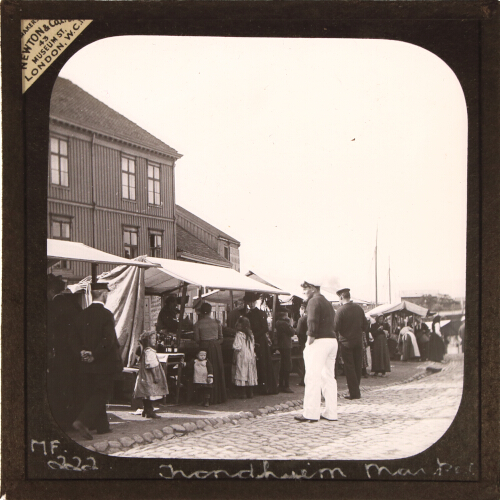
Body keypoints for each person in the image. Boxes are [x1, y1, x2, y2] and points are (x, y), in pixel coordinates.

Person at [70, 282, 122, 440]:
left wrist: (82, 352)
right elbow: (109, 340)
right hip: (103, 363)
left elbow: (73, 339)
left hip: (85, 364)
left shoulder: (81, 314)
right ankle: (82, 421)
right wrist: (95, 354)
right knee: (101, 393)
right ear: (104, 294)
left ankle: (102, 427)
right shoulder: (106, 314)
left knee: (94, 392)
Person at [294, 280, 337, 423]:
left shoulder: (313, 302)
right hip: (332, 341)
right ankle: (331, 412)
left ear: (312, 288)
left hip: (319, 341)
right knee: (329, 378)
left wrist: (309, 341)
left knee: (312, 377)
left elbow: (312, 322)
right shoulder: (327, 302)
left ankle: (311, 413)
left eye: (304, 290)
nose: (303, 293)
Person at [47, 274, 84, 430]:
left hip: (59, 354)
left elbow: (50, 332)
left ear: (50, 290)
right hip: (75, 354)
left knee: (59, 387)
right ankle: (73, 419)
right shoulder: (74, 304)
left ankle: (62, 421)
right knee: (73, 386)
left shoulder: (52, 307)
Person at [333, 287, 369, 400]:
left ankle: (354, 393)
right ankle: (356, 390)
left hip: (346, 343)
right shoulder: (359, 309)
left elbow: (335, 327)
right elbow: (365, 326)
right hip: (358, 341)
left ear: (341, 297)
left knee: (349, 367)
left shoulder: (340, 311)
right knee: (358, 366)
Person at [244, 292, 279, 395]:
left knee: (262, 363)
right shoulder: (250, 314)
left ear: (254, 302)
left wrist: (254, 335)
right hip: (255, 340)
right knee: (258, 363)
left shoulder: (258, 313)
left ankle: (264, 388)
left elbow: (264, 329)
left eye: (251, 302)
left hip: (259, 340)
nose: (250, 304)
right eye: (248, 302)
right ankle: (260, 387)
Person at [193, 302, 227, 403]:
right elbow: (221, 338)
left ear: (201, 312)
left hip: (204, 348)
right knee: (216, 370)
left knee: (205, 372)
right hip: (216, 348)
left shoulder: (198, 324)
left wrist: (206, 342)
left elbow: (197, 339)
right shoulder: (217, 322)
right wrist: (215, 343)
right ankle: (218, 397)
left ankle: (205, 399)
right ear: (210, 311)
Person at [133, 331, 168, 418]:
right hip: (150, 375)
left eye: (155, 338)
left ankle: (146, 410)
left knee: (147, 393)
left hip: (144, 375)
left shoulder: (145, 350)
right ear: (147, 340)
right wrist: (155, 375)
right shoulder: (149, 351)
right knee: (150, 392)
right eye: (152, 338)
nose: (154, 340)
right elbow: (151, 365)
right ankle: (149, 411)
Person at [232, 317, 258, 399]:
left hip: (242, 355)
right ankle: (250, 392)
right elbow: (253, 345)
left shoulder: (239, 335)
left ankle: (243, 393)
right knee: (250, 372)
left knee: (242, 372)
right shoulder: (250, 334)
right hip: (250, 355)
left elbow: (237, 348)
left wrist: (234, 358)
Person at [276, 310, 295, 393]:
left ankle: (281, 384)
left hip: (281, 344)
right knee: (287, 364)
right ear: (285, 316)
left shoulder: (278, 322)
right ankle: (286, 385)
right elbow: (292, 332)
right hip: (286, 344)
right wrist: (291, 324)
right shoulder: (285, 324)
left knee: (283, 364)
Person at [295, 303, 308, 386]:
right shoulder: (313, 318)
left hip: (303, 342)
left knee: (303, 362)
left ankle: (303, 380)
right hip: (311, 342)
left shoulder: (302, 319)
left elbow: (298, 332)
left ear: (303, 310)